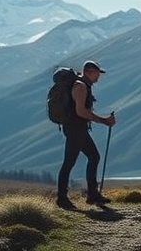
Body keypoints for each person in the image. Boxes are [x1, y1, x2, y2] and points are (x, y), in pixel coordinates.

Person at [56, 59, 116, 208]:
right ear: (88, 72)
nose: (98, 77)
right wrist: (104, 120)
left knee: (93, 157)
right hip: (75, 128)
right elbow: (80, 111)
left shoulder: (82, 85)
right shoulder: (81, 87)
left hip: (76, 128)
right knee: (70, 162)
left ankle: (91, 195)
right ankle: (63, 198)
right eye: (97, 73)